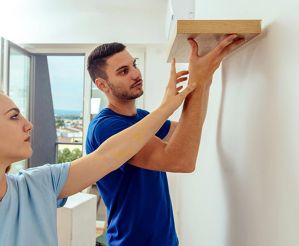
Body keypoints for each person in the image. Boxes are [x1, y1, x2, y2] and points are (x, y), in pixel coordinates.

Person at [0, 67, 194, 246]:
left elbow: (107, 156)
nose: (29, 124)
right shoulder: (104, 126)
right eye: (13, 116)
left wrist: (177, 99)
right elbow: (179, 159)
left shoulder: (39, 184)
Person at [86, 35, 244, 245]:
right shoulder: (106, 127)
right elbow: (181, 161)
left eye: (134, 65)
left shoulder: (141, 117)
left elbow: (189, 129)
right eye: (123, 71)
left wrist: (204, 81)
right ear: (103, 85)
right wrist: (197, 82)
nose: (135, 74)